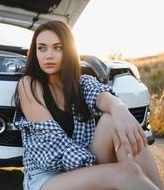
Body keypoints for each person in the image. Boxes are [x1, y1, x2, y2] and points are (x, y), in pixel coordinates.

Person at [12, 21, 163, 190]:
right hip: (47, 178)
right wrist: (104, 169)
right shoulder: (29, 85)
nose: (48, 55)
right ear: (35, 52)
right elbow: (55, 145)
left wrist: (120, 110)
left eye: (57, 47)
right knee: (128, 172)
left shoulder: (82, 83)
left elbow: (102, 96)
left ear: (68, 51)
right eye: (42, 48)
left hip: (85, 166)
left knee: (113, 119)